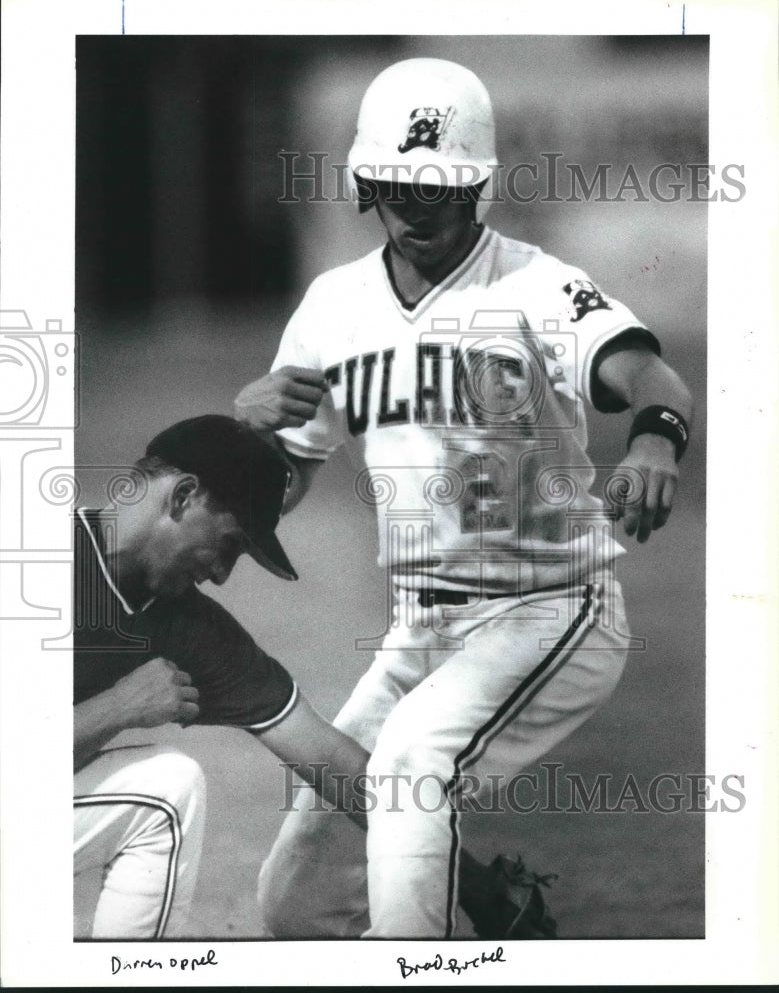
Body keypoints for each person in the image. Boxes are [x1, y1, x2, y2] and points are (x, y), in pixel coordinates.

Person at [235, 58, 694, 939]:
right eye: (396, 182)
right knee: (294, 902)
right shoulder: (332, 306)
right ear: (368, 178)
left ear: (477, 183)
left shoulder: (533, 284)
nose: (414, 204)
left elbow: (652, 376)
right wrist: (250, 433)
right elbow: (284, 481)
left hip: (550, 609)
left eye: (437, 186)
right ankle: (495, 906)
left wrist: (651, 440)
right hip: (418, 629)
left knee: (412, 770)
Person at [74, 413, 535, 940]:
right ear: (182, 497)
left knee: (162, 788)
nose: (222, 575)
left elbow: (325, 758)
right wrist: (115, 707)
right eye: (228, 543)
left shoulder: (187, 624)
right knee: (163, 793)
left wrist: (474, 885)